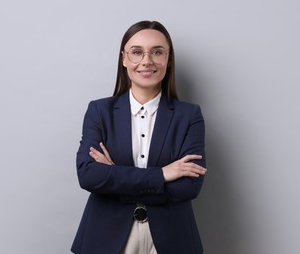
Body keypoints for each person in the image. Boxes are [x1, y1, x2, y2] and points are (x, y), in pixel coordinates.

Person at [71, 20, 207, 254]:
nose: (147, 61)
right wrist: (163, 174)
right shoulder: (99, 111)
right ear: (124, 59)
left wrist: (114, 176)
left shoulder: (189, 115)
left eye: (157, 52)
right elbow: (89, 176)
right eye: (137, 52)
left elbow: (188, 187)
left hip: (172, 238)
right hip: (106, 236)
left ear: (168, 59)